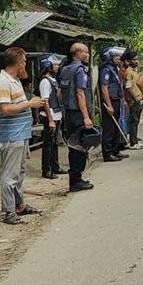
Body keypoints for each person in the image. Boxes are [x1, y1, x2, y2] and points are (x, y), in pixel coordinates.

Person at [0, 47, 46, 224]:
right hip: (11, 135)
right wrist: (30, 104)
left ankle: (19, 205)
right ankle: (9, 211)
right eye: (24, 61)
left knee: (19, 172)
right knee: (10, 175)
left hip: (21, 133)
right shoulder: (2, 82)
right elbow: (5, 109)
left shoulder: (14, 81)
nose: (25, 65)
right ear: (17, 62)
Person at [59, 42, 96, 192]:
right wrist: (86, 116)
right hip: (78, 113)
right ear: (79, 53)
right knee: (80, 146)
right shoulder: (79, 71)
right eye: (86, 53)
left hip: (68, 113)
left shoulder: (65, 70)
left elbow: (59, 93)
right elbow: (80, 93)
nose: (87, 55)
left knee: (72, 146)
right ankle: (76, 180)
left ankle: (74, 179)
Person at [38, 54, 67, 179]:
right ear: (47, 66)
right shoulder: (45, 81)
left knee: (55, 143)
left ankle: (55, 166)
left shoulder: (54, 80)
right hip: (50, 115)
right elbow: (45, 101)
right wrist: (50, 120)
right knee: (48, 144)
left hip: (56, 114)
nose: (57, 67)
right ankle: (46, 170)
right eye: (54, 65)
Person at [99, 47, 129, 162]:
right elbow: (104, 88)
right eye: (116, 56)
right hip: (110, 101)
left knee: (116, 127)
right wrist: (109, 105)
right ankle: (108, 153)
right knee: (109, 128)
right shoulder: (105, 70)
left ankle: (115, 150)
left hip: (116, 99)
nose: (119, 58)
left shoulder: (114, 69)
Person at [122, 51, 143, 150]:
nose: (136, 61)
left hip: (138, 98)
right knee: (133, 121)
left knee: (136, 121)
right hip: (134, 100)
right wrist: (135, 99)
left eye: (137, 59)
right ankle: (133, 142)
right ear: (128, 61)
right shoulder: (129, 72)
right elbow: (128, 87)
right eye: (134, 59)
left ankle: (134, 140)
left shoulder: (134, 71)